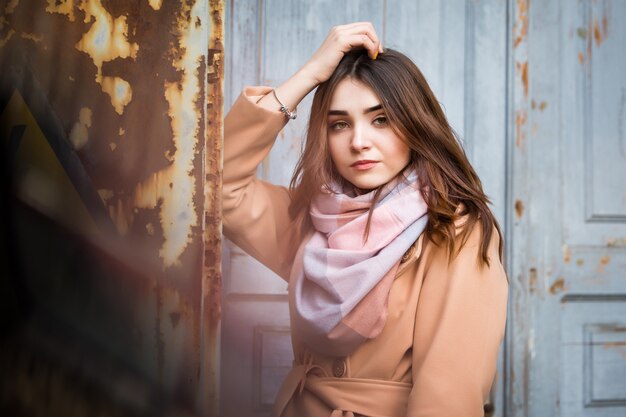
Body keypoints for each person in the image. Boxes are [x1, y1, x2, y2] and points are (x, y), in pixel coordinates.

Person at [223, 22, 508, 417]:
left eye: (381, 119)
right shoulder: (313, 220)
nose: (359, 141)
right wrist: (310, 75)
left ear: (415, 125)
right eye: (339, 124)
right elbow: (215, 185)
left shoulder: (455, 231)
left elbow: (447, 399)